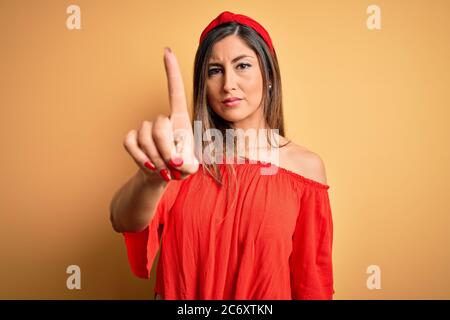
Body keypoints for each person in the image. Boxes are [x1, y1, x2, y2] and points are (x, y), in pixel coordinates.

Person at [109, 11, 334, 300]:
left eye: (242, 65)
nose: (228, 84)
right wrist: (152, 177)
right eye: (215, 70)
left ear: (269, 76)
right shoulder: (184, 158)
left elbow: (312, 285)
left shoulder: (305, 167)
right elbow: (121, 219)